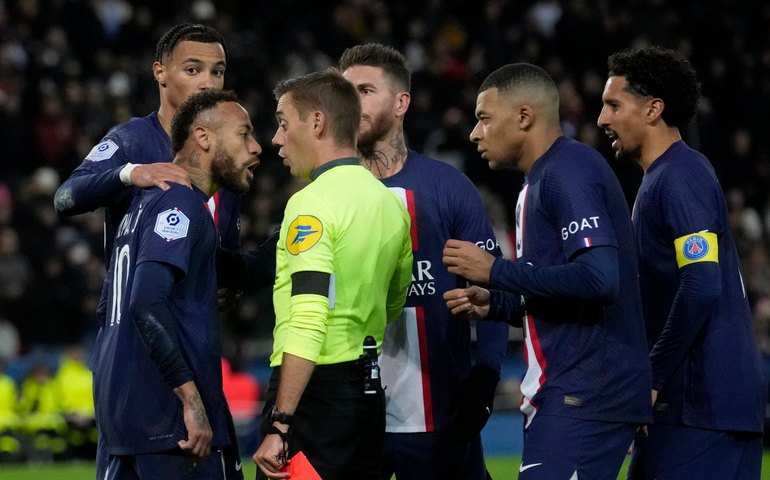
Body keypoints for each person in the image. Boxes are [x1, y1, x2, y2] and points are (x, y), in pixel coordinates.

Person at [52, 23, 272, 478]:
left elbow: (216, 260)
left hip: (177, 352)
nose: (208, 82)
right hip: (149, 367)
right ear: (160, 73)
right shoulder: (135, 141)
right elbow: (66, 197)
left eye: (217, 71)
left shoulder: (225, 163)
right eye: (193, 70)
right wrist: (129, 173)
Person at [442, 63, 652, 479]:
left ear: (524, 117)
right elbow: (567, 292)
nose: (475, 133)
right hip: (571, 393)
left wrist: (496, 271)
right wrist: (498, 304)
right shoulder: (541, 179)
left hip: (584, 393)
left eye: (484, 118)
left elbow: (600, 278)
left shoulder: (567, 172)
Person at [339, 43, 508, 480]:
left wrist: (486, 375)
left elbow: (492, 288)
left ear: (401, 103)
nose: (350, 103)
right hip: (354, 424)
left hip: (441, 419)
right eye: (345, 92)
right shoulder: (328, 194)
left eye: (364, 91)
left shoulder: (447, 186)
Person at [597, 46, 766, 480]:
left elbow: (701, 283)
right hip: (710, 406)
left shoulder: (679, 176)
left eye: (614, 105)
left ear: (653, 109)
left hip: (698, 408)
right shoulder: (671, 175)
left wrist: (651, 377)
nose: (602, 119)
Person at [252, 69, 413, 480]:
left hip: (312, 396)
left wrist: (280, 422)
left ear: (317, 122)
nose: (276, 139)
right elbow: (395, 300)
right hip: (366, 395)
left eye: (284, 123)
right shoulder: (390, 204)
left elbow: (308, 316)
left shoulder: (311, 204)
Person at [93, 89, 261, 479]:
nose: (256, 147)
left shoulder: (143, 205)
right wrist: (191, 399)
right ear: (203, 137)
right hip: (173, 426)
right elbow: (146, 303)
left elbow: (242, 268)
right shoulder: (180, 204)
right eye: (244, 134)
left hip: (128, 422)